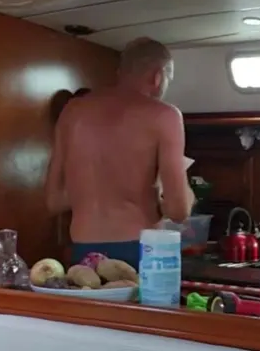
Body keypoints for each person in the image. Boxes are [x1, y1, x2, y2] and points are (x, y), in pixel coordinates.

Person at [45, 37, 192, 268]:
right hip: (139, 249)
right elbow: (178, 210)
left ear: (120, 72)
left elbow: (53, 201)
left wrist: (94, 190)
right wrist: (173, 195)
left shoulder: (72, 111)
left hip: (84, 249)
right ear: (158, 76)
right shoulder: (165, 116)